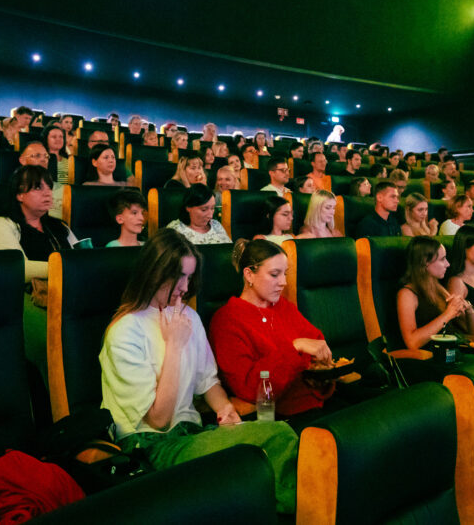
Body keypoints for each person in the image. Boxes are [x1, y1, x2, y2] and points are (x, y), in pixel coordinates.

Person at [99, 231, 299, 512]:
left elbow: (208, 382)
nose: (185, 287)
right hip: (150, 445)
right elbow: (158, 419)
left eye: (190, 277)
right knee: (277, 436)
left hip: (191, 433)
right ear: (154, 273)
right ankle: (314, 510)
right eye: (178, 276)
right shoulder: (124, 331)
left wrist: (225, 408)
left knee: (262, 451)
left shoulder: (188, 317)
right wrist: (174, 346)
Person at [210, 238, 335, 424]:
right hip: (279, 417)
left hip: (320, 399)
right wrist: (295, 347)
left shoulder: (282, 306)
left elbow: (316, 344)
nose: (283, 282)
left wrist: (322, 368)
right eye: (275, 274)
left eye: (285, 274)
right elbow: (249, 388)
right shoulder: (227, 320)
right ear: (249, 275)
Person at [0, 165, 79, 386]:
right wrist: (65, 268)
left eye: (49, 187)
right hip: (26, 298)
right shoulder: (2, 225)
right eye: (38, 188)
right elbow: (18, 269)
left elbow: (80, 257)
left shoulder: (59, 226)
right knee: (57, 341)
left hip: (70, 293)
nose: (47, 193)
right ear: (19, 195)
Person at [396, 237, 474, 350]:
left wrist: (469, 309)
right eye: (442, 259)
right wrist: (448, 314)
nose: (448, 264)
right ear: (425, 262)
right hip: (428, 357)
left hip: (452, 352)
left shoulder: (437, 288)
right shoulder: (406, 294)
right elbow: (412, 342)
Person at [166, 184, 232, 244]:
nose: (210, 216)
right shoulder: (175, 230)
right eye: (204, 210)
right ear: (188, 207)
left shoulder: (216, 225)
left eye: (212, 208)